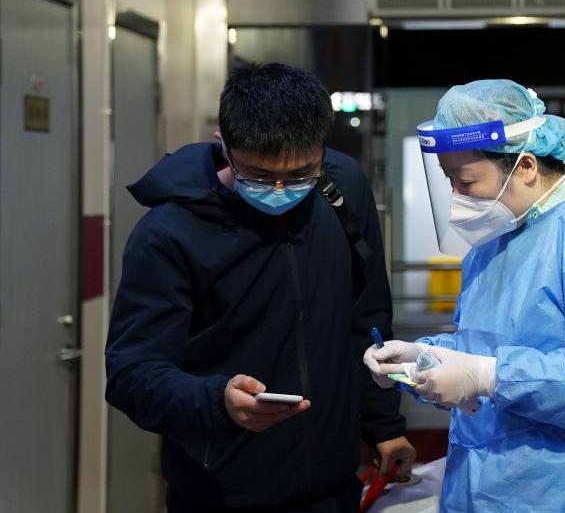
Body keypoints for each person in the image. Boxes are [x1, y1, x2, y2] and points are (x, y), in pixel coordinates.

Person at [106, 63, 414, 512]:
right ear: (224, 147)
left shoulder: (341, 189)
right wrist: (217, 402)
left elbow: (366, 318)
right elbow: (131, 374)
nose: (280, 190)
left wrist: (384, 426)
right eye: (258, 175)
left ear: (323, 151)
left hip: (334, 486)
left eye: (301, 174)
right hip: (220, 493)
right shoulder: (170, 233)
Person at [364, 80, 565, 512]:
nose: (457, 197)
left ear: (526, 165)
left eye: (466, 180)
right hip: (496, 487)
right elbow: (493, 344)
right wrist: (424, 358)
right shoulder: (504, 230)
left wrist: (487, 376)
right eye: (448, 180)